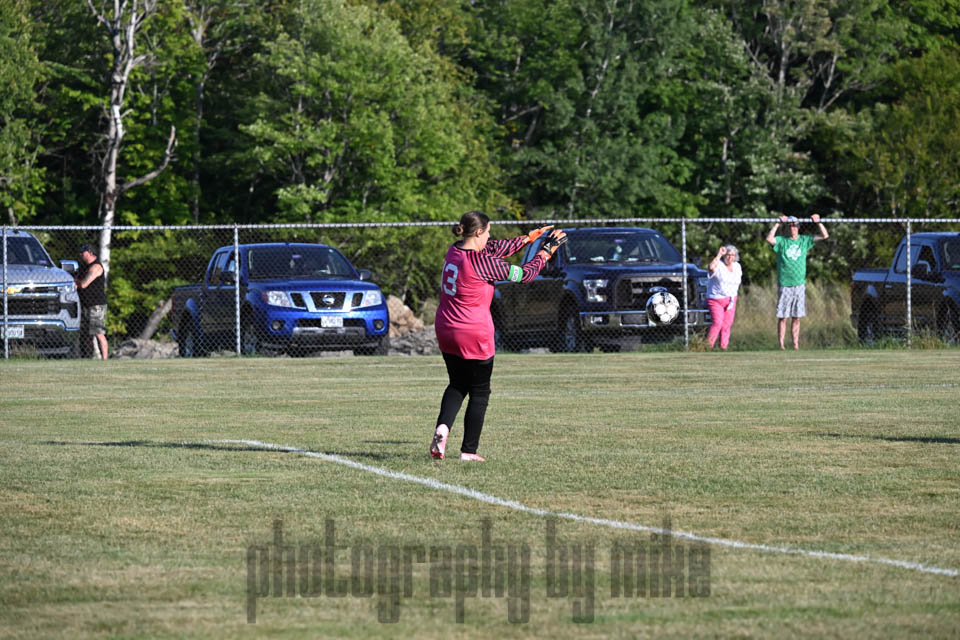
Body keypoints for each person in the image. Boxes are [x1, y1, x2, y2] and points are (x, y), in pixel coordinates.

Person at [430, 211, 566, 462]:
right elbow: (525, 275)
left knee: (458, 383)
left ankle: (442, 430)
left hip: (446, 328)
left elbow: (494, 247)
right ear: (479, 232)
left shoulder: (455, 250)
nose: (491, 236)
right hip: (473, 332)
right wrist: (545, 252)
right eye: (489, 230)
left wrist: (528, 238)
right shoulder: (483, 263)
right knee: (480, 391)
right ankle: (468, 451)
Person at [765, 214, 829, 350]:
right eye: (790, 226)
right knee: (783, 317)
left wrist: (818, 222)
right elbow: (769, 239)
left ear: (799, 227)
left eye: (794, 225)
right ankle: (781, 344)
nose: (792, 228)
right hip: (785, 283)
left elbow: (824, 235)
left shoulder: (804, 240)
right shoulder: (782, 241)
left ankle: (795, 344)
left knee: (797, 316)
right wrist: (777, 223)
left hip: (799, 284)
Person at [706, 244, 742, 350]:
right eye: (727, 255)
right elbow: (711, 267)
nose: (730, 257)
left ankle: (723, 347)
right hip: (716, 299)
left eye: (732, 255)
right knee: (717, 323)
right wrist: (719, 255)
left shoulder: (737, 266)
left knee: (727, 325)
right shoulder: (719, 265)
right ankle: (708, 346)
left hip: (731, 299)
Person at [76, 243, 109, 359]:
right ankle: (87, 358)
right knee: (86, 335)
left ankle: (105, 360)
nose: (80, 254)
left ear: (90, 253)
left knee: (99, 333)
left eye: (83, 252)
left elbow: (84, 284)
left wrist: (76, 282)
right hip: (85, 305)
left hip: (96, 306)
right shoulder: (84, 267)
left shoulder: (96, 267)